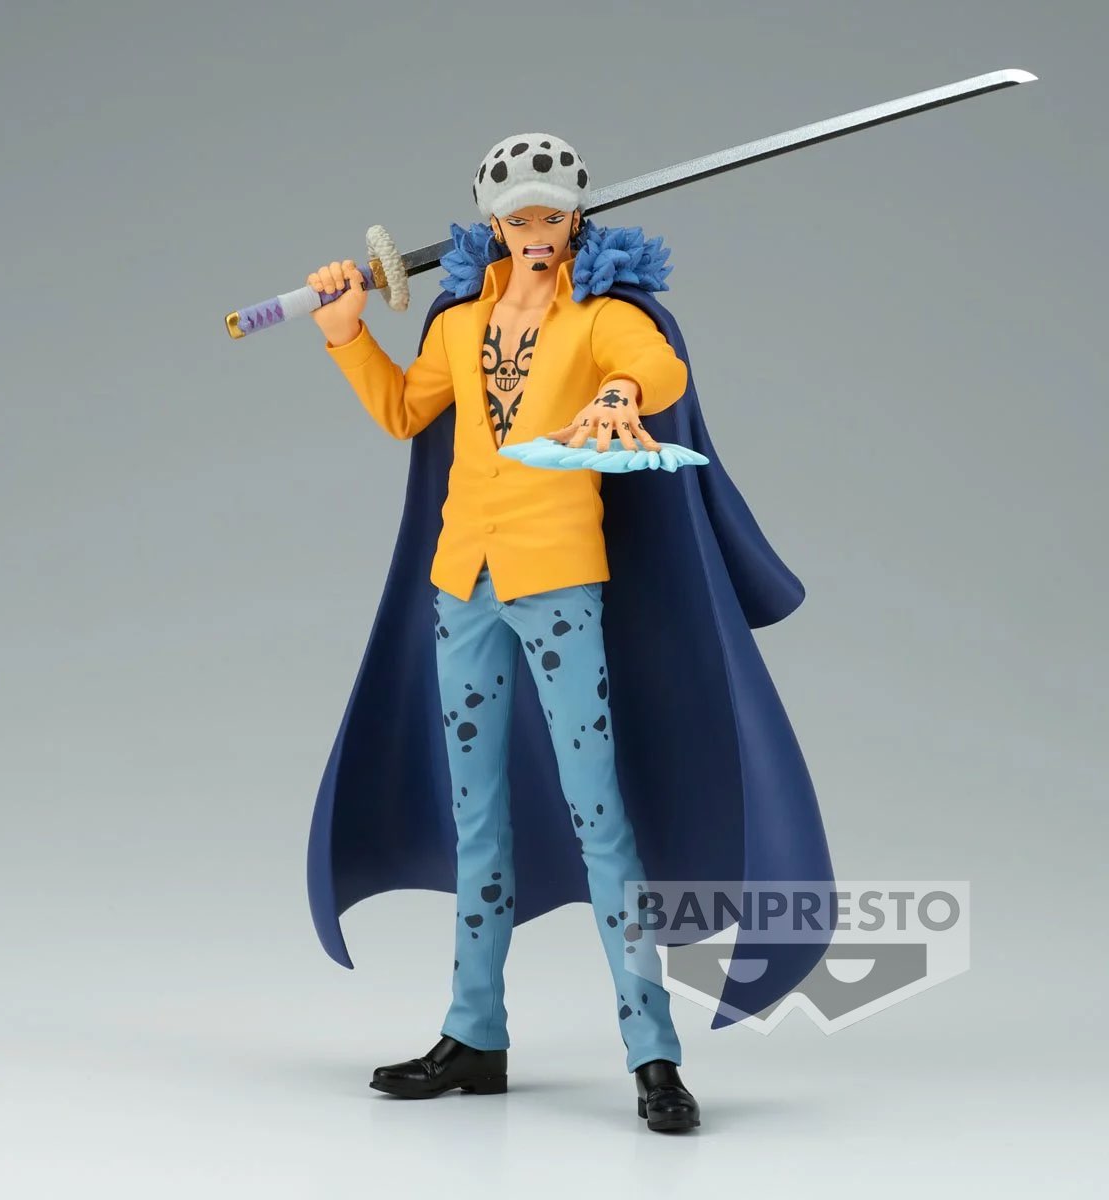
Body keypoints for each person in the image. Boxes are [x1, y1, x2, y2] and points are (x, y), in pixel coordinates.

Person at [303, 132, 832, 1134]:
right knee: (476, 819)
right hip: (464, 585)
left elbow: (657, 366)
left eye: (552, 215)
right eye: (520, 217)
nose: (537, 231)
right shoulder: (459, 320)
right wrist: (344, 333)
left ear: (576, 217)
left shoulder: (602, 315)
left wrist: (622, 393)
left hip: (557, 586)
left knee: (600, 818)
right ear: (494, 223)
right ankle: (473, 1034)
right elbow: (405, 411)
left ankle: (653, 1054)